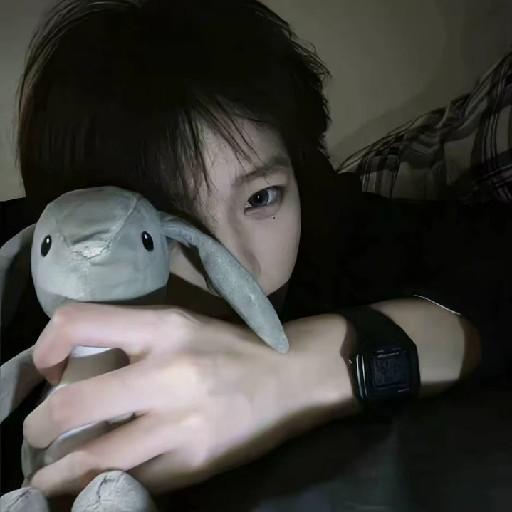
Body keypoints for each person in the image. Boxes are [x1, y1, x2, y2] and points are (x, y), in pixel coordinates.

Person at [1, 0, 510, 499]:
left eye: (261, 198)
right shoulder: (28, 282)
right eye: (168, 227)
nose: (238, 264)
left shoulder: (331, 224)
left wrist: (297, 374)